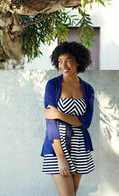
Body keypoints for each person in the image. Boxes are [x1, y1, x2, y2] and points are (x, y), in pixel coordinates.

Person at [41, 41, 95, 196]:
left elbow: (85, 122)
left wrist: (59, 114)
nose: (63, 65)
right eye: (59, 61)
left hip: (79, 145)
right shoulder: (53, 85)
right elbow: (51, 124)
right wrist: (61, 157)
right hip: (57, 145)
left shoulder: (87, 89)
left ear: (78, 61)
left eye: (68, 60)